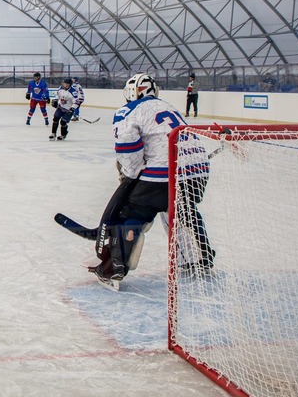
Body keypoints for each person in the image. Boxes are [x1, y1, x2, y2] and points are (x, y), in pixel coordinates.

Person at [89, 73, 214, 289]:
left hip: (164, 173)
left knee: (132, 214)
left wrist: (131, 173)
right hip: (198, 170)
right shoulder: (168, 106)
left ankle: (114, 267)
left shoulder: (128, 110)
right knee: (181, 208)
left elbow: (127, 146)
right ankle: (198, 257)